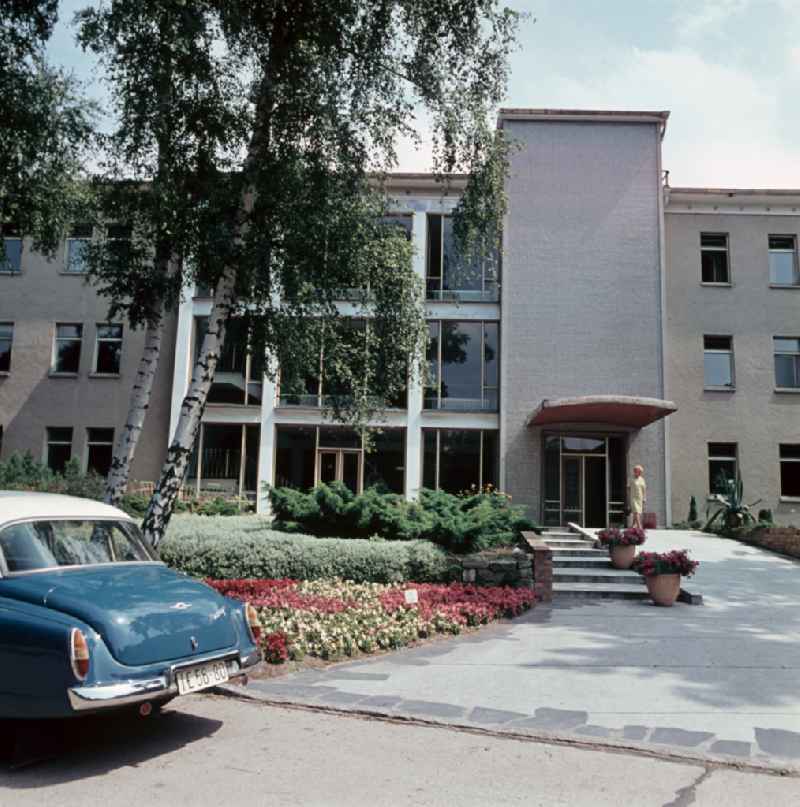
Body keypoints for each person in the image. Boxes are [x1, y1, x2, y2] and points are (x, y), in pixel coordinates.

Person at [630, 465, 647, 529]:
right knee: (636, 511)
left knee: (637, 512)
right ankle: (640, 527)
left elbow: (644, 490)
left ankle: (633, 526)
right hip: (633, 498)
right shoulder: (631, 478)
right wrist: (628, 498)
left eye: (638, 471)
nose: (635, 472)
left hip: (639, 498)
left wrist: (644, 498)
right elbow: (628, 488)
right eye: (635, 470)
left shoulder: (642, 479)